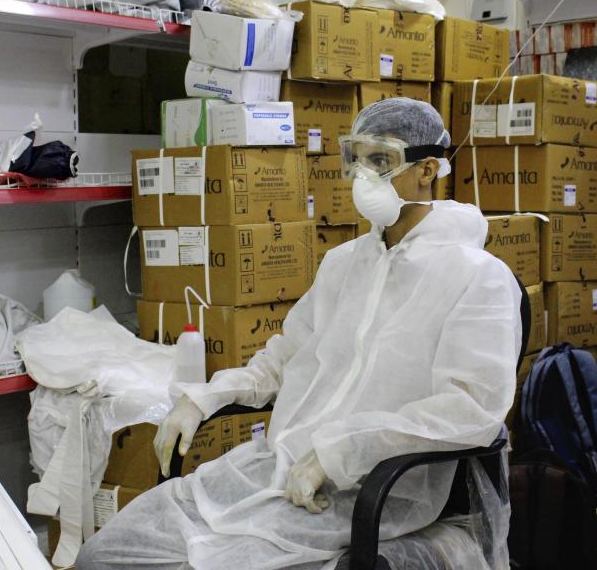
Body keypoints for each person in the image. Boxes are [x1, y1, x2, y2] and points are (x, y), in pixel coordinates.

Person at [76, 98, 522, 570]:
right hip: (273, 468)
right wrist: (205, 397)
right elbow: (285, 356)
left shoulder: (479, 277)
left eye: (380, 161)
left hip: (368, 493)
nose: (362, 176)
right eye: (356, 158)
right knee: (103, 556)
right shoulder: (344, 263)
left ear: (427, 169)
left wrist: (341, 452)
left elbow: (471, 407)